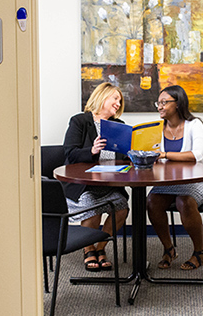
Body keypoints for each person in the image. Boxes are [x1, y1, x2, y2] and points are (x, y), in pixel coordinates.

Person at [63, 82, 129, 272]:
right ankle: (88, 249)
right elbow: (70, 153)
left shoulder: (119, 126)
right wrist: (91, 150)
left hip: (110, 183)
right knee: (92, 205)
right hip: (84, 184)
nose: (118, 102)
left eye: (120, 100)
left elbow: (122, 156)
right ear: (102, 96)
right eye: (115, 98)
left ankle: (101, 248)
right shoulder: (80, 121)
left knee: (122, 208)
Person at [147, 85, 203, 270]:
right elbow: (154, 155)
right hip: (169, 182)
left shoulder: (194, 124)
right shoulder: (157, 128)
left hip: (198, 180)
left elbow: (199, 154)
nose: (159, 106)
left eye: (164, 102)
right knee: (152, 200)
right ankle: (169, 249)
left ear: (178, 104)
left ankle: (199, 252)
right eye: (158, 103)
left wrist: (165, 154)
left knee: (184, 201)